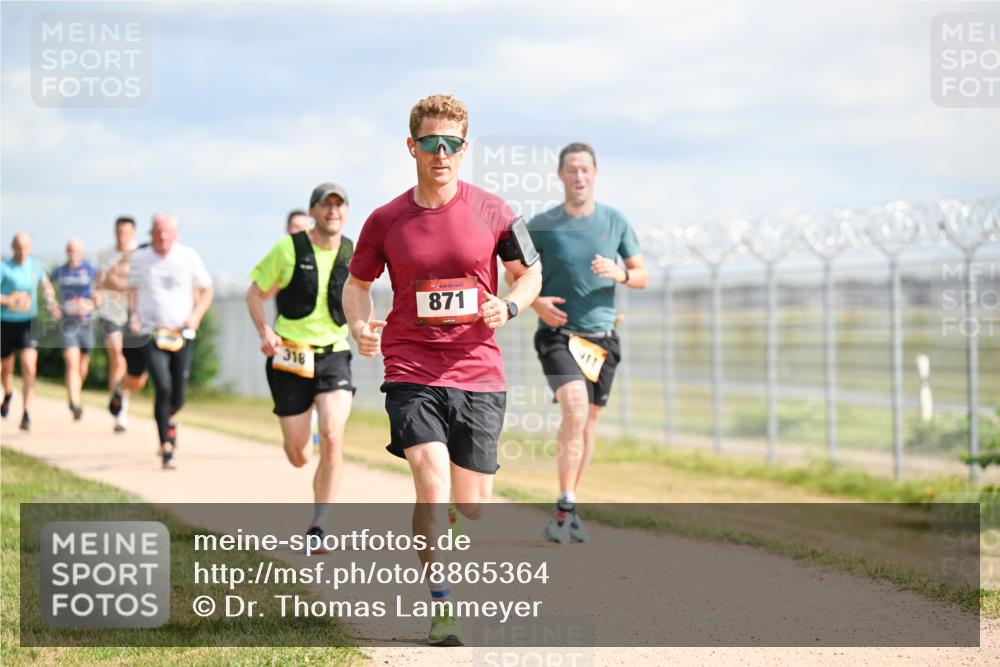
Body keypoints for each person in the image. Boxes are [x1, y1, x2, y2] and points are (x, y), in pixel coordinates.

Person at [343, 94, 541, 646]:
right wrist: (360, 326)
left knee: (471, 507)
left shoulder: (496, 212)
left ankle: (449, 523)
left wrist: (511, 304)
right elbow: (357, 286)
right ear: (412, 146)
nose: (441, 153)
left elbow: (530, 274)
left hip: (478, 369)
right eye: (431, 143)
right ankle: (442, 606)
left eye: (452, 144)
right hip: (410, 366)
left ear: (464, 148)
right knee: (431, 486)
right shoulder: (385, 220)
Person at [525, 142, 648, 543]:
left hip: (602, 339)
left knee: (589, 423)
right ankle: (563, 503)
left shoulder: (615, 222)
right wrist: (536, 302)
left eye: (585, 169)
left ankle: (570, 503)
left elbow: (642, 274)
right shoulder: (541, 225)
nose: (579, 176)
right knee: (574, 410)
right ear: (559, 175)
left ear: (595, 174)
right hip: (557, 335)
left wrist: (620, 273)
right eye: (571, 169)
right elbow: (516, 275)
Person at [247, 183, 356, 547]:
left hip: (334, 353)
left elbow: (361, 294)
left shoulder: (353, 251)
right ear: (313, 211)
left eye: (339, 206)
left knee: (333, 437)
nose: (333, 211)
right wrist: (265, 330)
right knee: (298, 456)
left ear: (346, 211)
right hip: (290, 354)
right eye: (326, 205)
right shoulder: (287, 249)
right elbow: (255, 293)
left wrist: (363, 327)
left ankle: (319, 524)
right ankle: (303, 430)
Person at [129, 214, 214, 469]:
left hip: (182, 334)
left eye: (167, 232)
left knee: (178, 395)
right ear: (151, 233)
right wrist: (133, 315)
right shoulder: (139, 258)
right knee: (162, 386)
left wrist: (196, 316)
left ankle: (170, 418)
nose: (163, 237)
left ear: (175, 234)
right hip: (151, 332)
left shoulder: (188, 256)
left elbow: (207, 289)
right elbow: (131, 288)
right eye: (158, 232)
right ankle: (166, 446)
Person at [1, 233, 58, 431]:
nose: (22, 251)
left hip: (28, 323)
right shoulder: (4, 267)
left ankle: (26, 413)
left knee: (29, 366)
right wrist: (9, 301)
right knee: (6, 368)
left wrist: (51, 302)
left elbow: (46, 286)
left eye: (26, 247)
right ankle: (8, 393)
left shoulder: (36, 266)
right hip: (6, 323)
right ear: (13, 247)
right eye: (18, 247)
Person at [97, 216, 142, 432]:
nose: (122, 237)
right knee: (117, 356)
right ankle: (119, 414)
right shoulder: (105, 255)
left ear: (133, 233)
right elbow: (101, 282)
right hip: (110, 312)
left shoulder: (142, 254)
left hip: (135, 314)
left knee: (131, 364)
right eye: (118, 233)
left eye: (126, 233)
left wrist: (118, 284)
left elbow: (140, 285)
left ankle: (120, 396)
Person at [49, 237, 99, 420]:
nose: (73, 254)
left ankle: (75, 392)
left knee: (82, 366)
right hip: (68, 323)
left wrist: (93, 302)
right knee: (72, 361)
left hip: (86, 323)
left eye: (76, 250)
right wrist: (52, 304)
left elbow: (101, 289)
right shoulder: (60, 271)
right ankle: (74, 402)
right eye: (70, 250)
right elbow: (46, 284)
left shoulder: (90, 269)